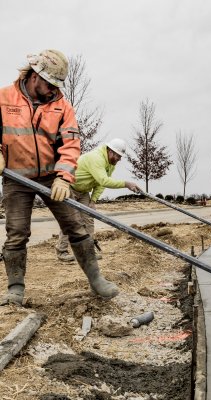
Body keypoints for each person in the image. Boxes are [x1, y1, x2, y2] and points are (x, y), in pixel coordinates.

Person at [0, 49, 119, 305]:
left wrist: (64, 177)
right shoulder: (4, 97)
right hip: (16, 179)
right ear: (34, 75)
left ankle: (96, 279)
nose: (53, 89)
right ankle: (16, 288)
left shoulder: (62, 106)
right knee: (17, 233)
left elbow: (71, 144)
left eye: (57, 85)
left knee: (76, 227)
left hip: (52, 178)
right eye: (49, 83)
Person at [55, 138, 141, 262]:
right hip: (70, 187)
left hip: (84, 192)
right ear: (110, 151)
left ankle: (88, 252)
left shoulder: (110, 165)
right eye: (118, 156)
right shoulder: (96, 158)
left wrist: (93, 201)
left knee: (89, 219)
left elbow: (101, 184)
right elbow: (104, 180)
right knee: (70, 220)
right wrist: (126, 184)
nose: (119, 159)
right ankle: (62, 251)